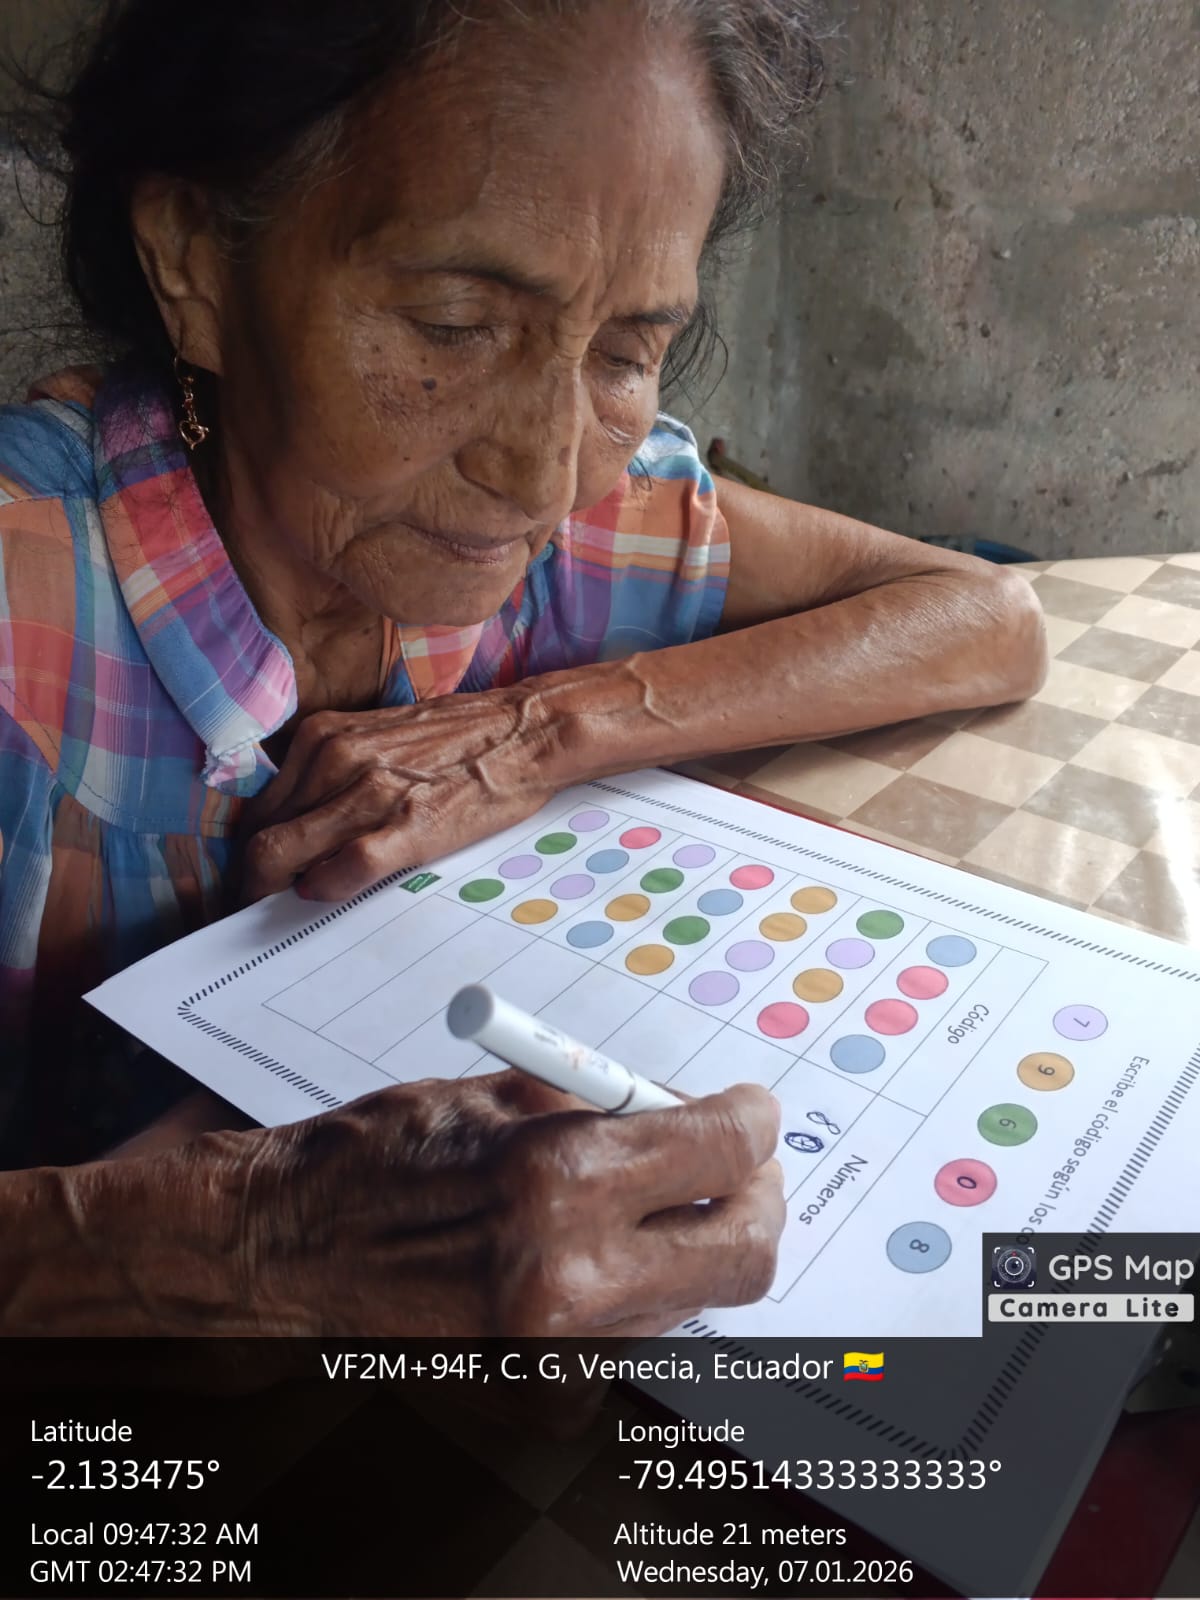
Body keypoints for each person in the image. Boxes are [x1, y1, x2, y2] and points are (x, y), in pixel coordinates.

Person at [0, 0, 1046, 1336]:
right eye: (453, 323)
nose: (546, 474)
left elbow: (986, 613)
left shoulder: (574, 520)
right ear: (195, 261)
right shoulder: (27, 616)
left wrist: (543, 732)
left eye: (626, 349)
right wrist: (255, 1236)